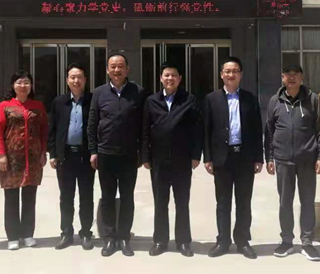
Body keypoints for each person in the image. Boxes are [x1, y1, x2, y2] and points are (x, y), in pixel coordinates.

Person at [265, 63, 320, 262]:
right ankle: (286, 240)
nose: (291, 77)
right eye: (288, 74)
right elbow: (269, 131)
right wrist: (270, 157)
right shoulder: (275, 101)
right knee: (285, 202)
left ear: (302, 77)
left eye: (296, 74)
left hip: (307, 160)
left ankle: (307, 243)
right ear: (282, 77)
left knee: (307, 202)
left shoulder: (313, 99)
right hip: (283, 160)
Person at [203, 56, 264, 259]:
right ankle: (223, 241)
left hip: (244, 157)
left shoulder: (250, 98)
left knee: (244, 202)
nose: (231, 74)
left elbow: (257, 130)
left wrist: (258, 158)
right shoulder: (211, 99)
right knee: (223, 202)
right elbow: (206, 130)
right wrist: (208, 157)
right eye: (227, 71)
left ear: (241, 74)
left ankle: (242, 241)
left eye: (235, 71)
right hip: (222, 158)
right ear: (221, 74)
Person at [141, 63, 202, 257]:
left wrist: (196, 155)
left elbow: (197, 129)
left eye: (174, 75)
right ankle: (160, 240)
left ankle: (183, 241)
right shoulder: (151, 101)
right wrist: (145, 156)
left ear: (180, 78)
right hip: (158, 160)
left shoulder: (189, 100)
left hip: (182, 159)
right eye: (166, 75)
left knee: (182, 202)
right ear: (161, 78)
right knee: (160, 202)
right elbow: (145, 130)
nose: (170, 79)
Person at [88, 53, 145, 257]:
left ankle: (124, 237)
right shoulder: (99, 93)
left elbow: (143, 126)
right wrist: (93, 151)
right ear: (107, 70)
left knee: (127, 197)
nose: (116, 70)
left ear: (127, 69)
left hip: (129, 155)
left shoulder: (138, 92)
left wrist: (142, 153)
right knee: (107, 197)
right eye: (113, 66)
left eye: (120, 66)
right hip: (106, 154)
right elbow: (92, 124)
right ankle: (110, 238)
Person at [0, 70, 49, 251]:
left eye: (26, 82)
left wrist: (43, 152)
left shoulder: (37, 106)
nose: (23, 86)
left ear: (31, 86)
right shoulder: (5, 106)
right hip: (11, 159)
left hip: (32, 159)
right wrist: (1, 154)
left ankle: (27, 234)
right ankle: (12, 236)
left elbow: (43, 131)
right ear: (13, 85)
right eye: (19, 82)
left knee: (29, 198)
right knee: (11, 198)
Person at [47, 63, 95, 251]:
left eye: (79, 77)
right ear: (67, 80)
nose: (76, 80)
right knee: (66, 197)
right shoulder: (59, 102)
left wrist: (95, 152)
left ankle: (86, 233)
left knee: (86, 197)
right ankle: (66, 233)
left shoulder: (92, 100)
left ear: (85, 80)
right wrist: (53, 154)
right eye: (72, 77)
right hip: (65, 157)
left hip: (85, 157)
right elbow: (53, 130)